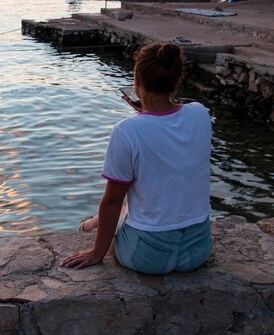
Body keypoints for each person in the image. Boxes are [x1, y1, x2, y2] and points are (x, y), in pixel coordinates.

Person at [60, 42, 213, 275]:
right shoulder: (200, 113)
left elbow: (111, 200)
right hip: (197, 249)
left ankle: (91, 223)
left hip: (147, 255)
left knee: (121, 206)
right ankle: (91, 222)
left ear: (137, 82)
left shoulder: (126, 130)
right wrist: (145, 113)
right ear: (176, 79)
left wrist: (97, 253)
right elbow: (167, 131)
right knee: (133, 205)